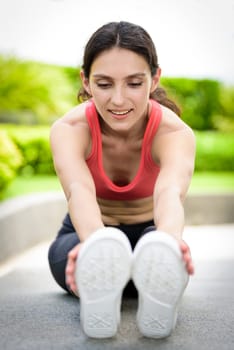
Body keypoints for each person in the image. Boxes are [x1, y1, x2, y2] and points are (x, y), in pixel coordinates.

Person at [48, 21, 195, 339]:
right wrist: (93, 245)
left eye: (133, 83)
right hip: (85, 234)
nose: (118, 100)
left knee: (155, 257)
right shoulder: (69, 129)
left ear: (154, 79)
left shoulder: (174, 133)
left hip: (150, 236)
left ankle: (139, 275)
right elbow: (79, 191)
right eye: (103, 84)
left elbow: (169, 194)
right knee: (68, 260)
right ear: (85, 80)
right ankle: (104, 277)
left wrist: (169, 242)